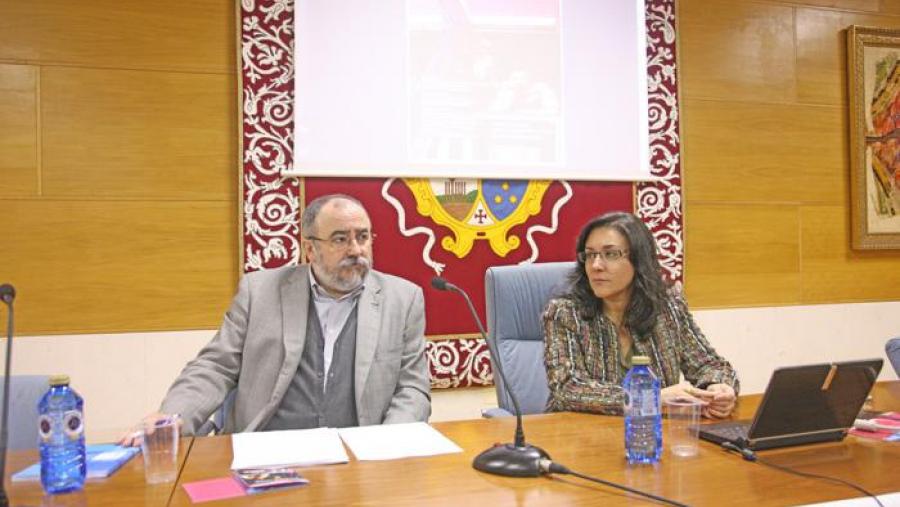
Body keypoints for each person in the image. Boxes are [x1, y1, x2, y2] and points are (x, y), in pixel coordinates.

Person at [122, 194, 430, 442]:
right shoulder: (259, 291)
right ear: (310, 249)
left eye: (362, 237)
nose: (355, 249)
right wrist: (173, 416)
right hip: (266, 452)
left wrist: (384, 445)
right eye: (340, 239)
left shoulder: (403, 299)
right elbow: (215, 366)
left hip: (358, 456)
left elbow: (413, 390)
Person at [543, 212, 739, 419]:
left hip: (652, 430)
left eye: (610, 254)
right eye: (590, 255)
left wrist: (719, 387)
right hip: (583, 431)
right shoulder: (564, 313)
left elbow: (708, 364)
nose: (596, 265)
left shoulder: (668, 307)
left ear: (639, 260)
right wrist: (650, 398)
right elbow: (567, 388)